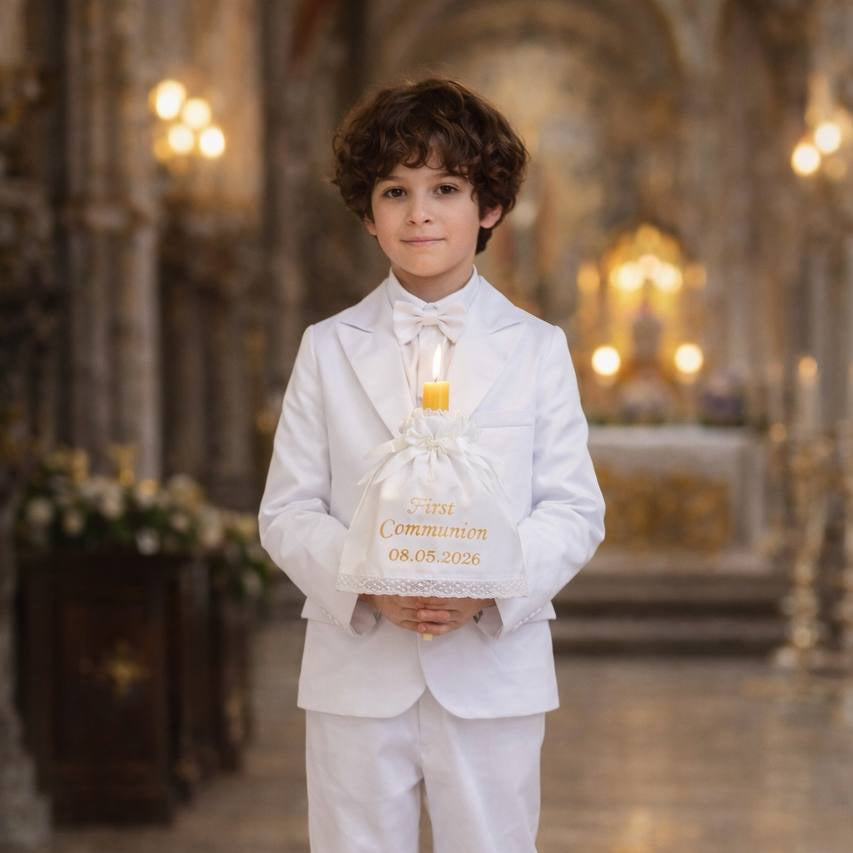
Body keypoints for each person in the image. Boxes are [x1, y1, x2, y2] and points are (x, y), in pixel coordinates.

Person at [258, 77, 605, 853]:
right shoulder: (327, 345)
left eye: (444, 187)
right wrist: (367, 585)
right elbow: (286, 510)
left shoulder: (536, 347)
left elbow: (572, 508)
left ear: (488, 208)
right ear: (368, 215)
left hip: (490, 664)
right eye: (395, 190)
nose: (419, 211)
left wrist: (488, 587)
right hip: (357, 667)